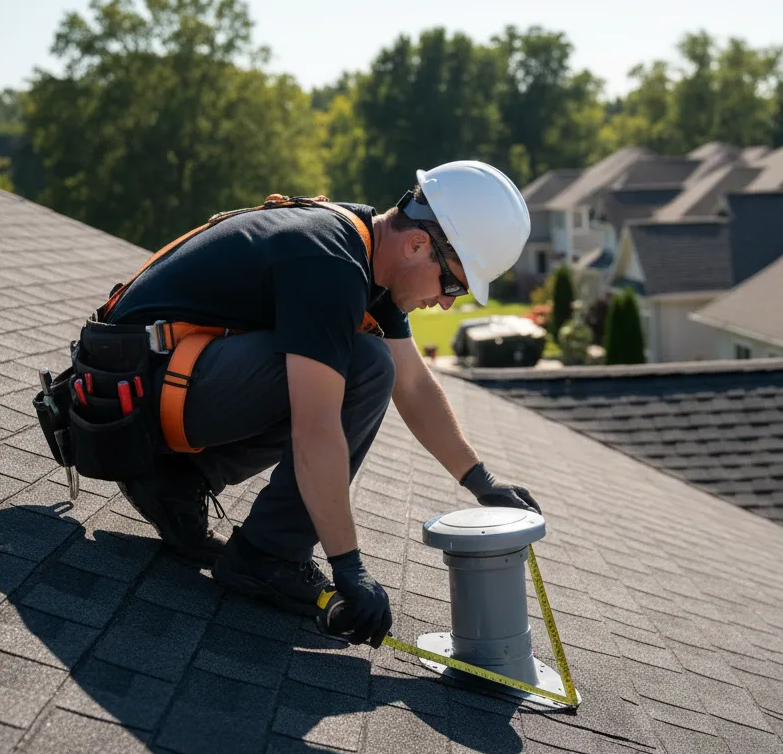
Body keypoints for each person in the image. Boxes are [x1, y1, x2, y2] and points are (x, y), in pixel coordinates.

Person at [105, 161, 542, 648]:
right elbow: (316, 430)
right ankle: (268, 555)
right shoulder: (329, 262)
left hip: (143, 394)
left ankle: (176, 481)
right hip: (126, 404)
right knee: (366, 365)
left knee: (374, 363)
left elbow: (415, 385)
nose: (445, 303)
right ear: (419, 244)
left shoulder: (363, 252)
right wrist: (348, 566)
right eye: (454, 285)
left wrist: (480, 482)